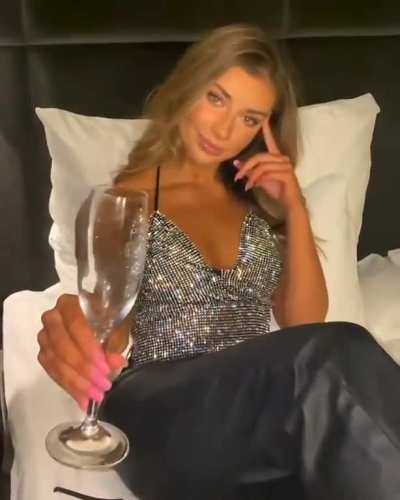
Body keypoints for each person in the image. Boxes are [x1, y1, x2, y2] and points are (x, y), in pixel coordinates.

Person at [37, 24, 400, 500]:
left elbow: (305, 322)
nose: (225, 130)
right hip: (159, 409)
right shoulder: (127, 200)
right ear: (188, 86)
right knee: (337, 352)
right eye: (217, 99)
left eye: (250, 118)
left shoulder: (257, 204)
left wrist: (294, 207)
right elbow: (110, 327)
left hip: (257, 419)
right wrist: (81, 330)